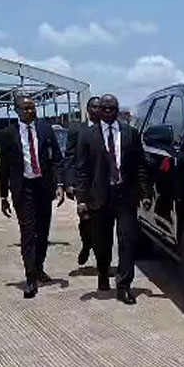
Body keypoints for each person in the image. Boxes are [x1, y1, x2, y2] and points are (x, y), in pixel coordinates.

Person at [75, 94, 152, 305]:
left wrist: (145, 193)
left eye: (112, 108)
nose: (108, 112)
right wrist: (82, 199)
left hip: (125, 195)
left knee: (127, 240)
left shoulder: (131, 134)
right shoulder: (87, 136)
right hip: (99, 197)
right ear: (98, 111)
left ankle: (124, 285)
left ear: (118, 110)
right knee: (102, 243)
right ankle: (102, 274)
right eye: (104, 108)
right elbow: (82, 169)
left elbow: (140, 166)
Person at [0, 95, 66, 299]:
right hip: (23, 188)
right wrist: (3, 196)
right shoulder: (8, 134)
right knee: (28, 233)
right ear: (17, 111)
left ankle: (39, 267)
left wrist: (60, 184)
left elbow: (57, 158)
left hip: (43, 187)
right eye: (26, 108)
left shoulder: (45, 129)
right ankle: (30, 279)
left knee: (43, 232)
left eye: (32, 108)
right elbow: (4, 167)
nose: (30, 111)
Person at [64, 96, 100, 267]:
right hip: (83, 182)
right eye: (93, 107)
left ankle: (103, 262)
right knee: (85, 218)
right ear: (87, 109)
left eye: (100, 107)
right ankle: (87, 245)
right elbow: (69, 157)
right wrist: (69, 182)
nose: (97, 110)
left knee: (102, 222)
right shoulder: (77, 130)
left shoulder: (109, 130)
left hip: (103, 183)